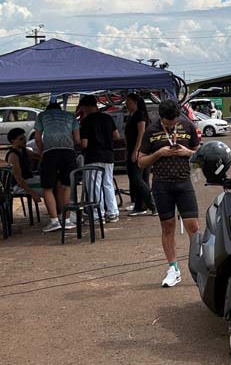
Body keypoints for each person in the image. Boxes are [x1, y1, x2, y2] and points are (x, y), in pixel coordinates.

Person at [137, 99, 200, 287]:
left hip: (183, 181)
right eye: (167, 123)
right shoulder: (151, 130)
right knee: (168, 226)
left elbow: (199, 153)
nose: (171, 126)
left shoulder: (188, 125)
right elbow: (140, 162)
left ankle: (199, 265)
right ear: (161, 117)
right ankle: (173, 269)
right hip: (161, 184)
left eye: (173, 122)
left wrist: (187, 152)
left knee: (194, 227)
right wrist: (159, 153)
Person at [33, 101, 81, 233]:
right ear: (60, 109)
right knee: (66, 185)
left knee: (48, 188)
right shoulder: (70, 116)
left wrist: (42, 151)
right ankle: (66, 220)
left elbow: (37, 138)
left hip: (50, 152)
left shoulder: (42, 116)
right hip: (68, 152)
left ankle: (54, 221)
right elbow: (77, 139)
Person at [77, 95, 122, 223]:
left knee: (94, 186)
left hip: (93, 156)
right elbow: (117, 136)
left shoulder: (86, 121)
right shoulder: (107, 117)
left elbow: (84, 143)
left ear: (86, 107)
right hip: (108, 155)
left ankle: (98, 215)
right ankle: (113, 212)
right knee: (107, 183)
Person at [124, 93, 156, 217]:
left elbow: (141, 132)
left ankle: (152, 205)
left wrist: (136, 150)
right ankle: (140, 206)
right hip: (134, 149)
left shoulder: (140, 115)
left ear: (135, 102)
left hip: (140, 151)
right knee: (141, 179)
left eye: (129, 101)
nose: (127, 104)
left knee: (137, 178)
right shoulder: (132, 115)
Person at [5, 127, 41, 202]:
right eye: (21, 139)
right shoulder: (13, 155)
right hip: (19, 186)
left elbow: (39, 157)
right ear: (13, 141)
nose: (24, 141)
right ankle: (56, 211)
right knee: (49, 187)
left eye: (24, 138)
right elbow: (18, 178)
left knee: (54, 182)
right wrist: (32, 193)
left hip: (30, 179)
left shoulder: (24, 150)